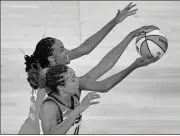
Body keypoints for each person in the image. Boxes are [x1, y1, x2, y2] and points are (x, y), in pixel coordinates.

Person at [18, 2, 138, 134]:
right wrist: (135, 64)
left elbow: (86, 49)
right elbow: (102, 84)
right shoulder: (53, 88)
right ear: (52, 59)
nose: (69, 52)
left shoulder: (56, 74)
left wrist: (116, 23)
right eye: (63, 50)